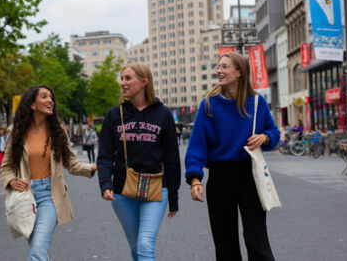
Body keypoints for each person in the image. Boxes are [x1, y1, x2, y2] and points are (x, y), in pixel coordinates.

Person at [185, 52, 280, 261]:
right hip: (220, 178)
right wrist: (194, 179)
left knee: (257, 240)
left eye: (225, 66)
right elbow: (197, 146)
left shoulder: (256, 102)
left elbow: (274, 133)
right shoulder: (209, 105)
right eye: (218, 66)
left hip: (250, 177)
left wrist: (264, 137)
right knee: (225, 242)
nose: (219, 70)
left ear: (239, 72)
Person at [0, 85, 97, 261]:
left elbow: (72, 165)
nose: (50, 100)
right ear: (32, 104)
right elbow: (5, 167)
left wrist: (93, 167)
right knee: (37, 250)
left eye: (51, 97)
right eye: (44, 96)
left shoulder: (58, 131)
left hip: (49, 196)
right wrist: (12, 182)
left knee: (37, 251)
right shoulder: (16, 131)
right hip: (25, 198)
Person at [97, 63, 181, 261]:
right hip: (122, 190)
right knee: (136, 245)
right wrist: (105, 184)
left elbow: (172, 158)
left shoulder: (163, 114)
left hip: (156, 187)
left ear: (144, 82)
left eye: (128, 78)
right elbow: (105, 155)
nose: (123, 83)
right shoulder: (113, 115)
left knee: (145, 243)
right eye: (122, 78)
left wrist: (174, 197)